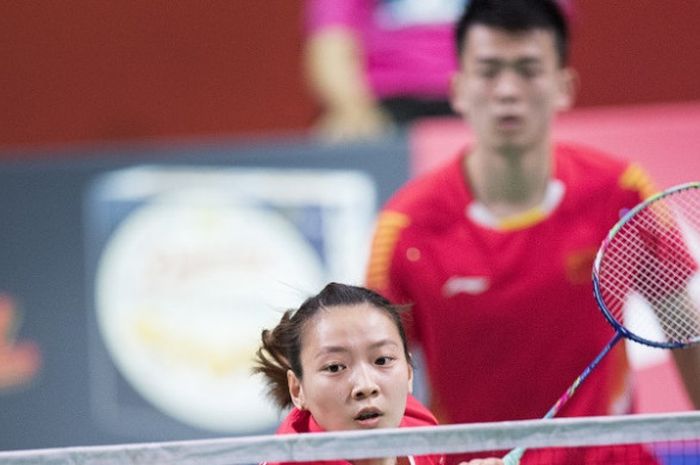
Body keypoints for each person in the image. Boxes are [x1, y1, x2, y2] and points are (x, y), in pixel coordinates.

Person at [364, 0, 700, 464]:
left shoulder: (620, 193)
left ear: (564, 87)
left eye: (528, 69)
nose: (507, 90)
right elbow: (372, 384)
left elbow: (685, 328)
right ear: (458, 89)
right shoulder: (407, 230)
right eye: (489, 71)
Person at [253, 282, 502, 465]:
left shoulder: (421, 433)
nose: (365, 385)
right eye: (334, 367)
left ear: (407, 373)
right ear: (298, 390)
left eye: (382, 360)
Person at [302, 0, 466, 141]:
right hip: (383, 107)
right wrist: (352, 110)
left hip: (475, 98)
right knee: (341, 133)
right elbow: (331, 44)